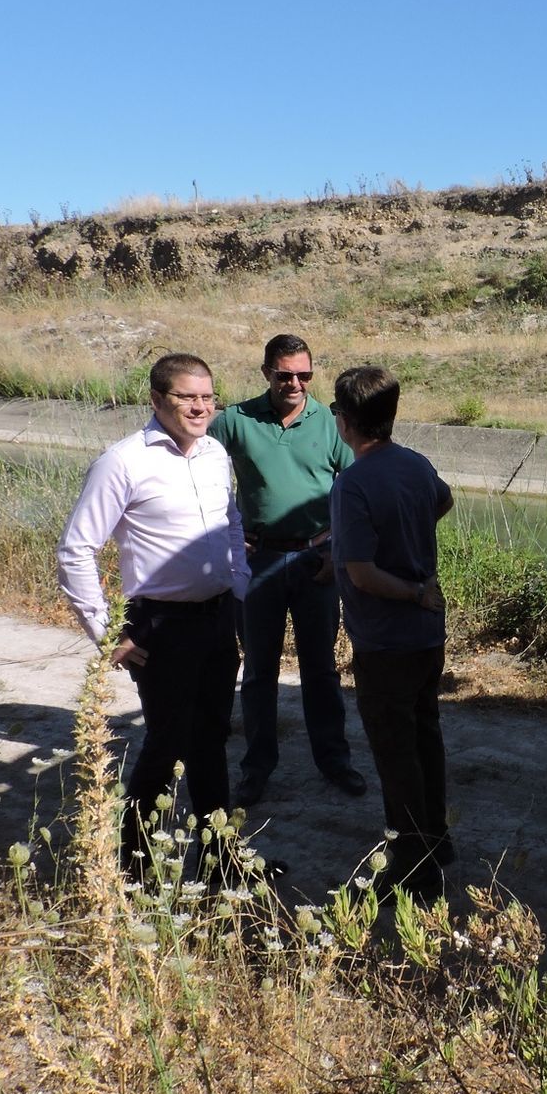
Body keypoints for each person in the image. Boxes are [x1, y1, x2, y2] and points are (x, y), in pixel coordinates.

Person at [56, 352, 249, 872]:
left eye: (208, 397)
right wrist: (105, 630)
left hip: (217, 617)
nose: (200, 407)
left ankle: (219, 861)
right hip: (160, 625)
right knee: (166, 744)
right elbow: (76, 549)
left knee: (212, 739)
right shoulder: (122, 462)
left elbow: (231, 523)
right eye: (187, 397)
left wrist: (242, 583)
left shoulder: (213, 454)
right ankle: (131, 868)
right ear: (157, 400)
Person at [209, 334, 364, 808]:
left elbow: (356, 487)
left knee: (321, 670)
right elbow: (192, 471)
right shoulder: (236, 420)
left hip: (316, 563)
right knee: (258, 671)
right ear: (266, 373)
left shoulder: (329, 422)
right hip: (258, 564)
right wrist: (226, 531)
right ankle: (257, 768)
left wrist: (335, 550)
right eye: (284, 375)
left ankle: (334, 761)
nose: (295, 383)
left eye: (304, 375)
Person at [328, 364, 455, 901]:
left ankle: (412, 870)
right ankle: (436, 841)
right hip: (427, 639)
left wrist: (410, 588)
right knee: (426, 741)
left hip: (384, 641)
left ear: (345, 420)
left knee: (395, 755)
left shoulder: (352, 483)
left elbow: (362, 574)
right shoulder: (416, 464)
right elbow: (443, 499)